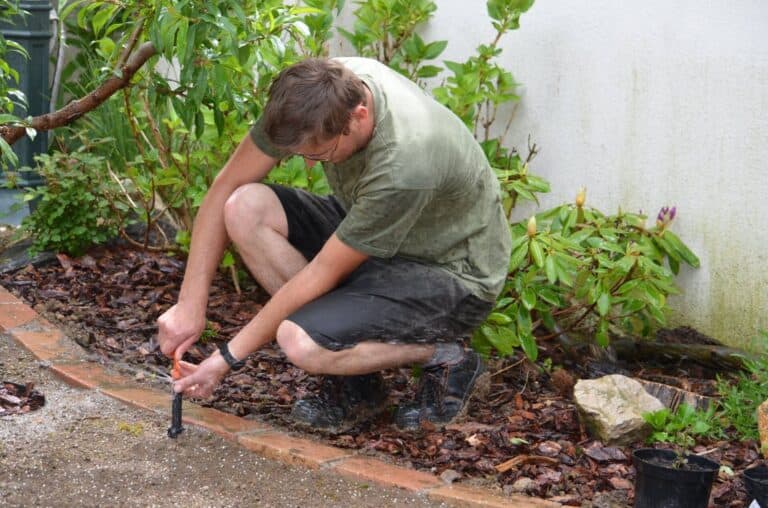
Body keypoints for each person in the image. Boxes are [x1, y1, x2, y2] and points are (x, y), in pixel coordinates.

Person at [157, 57, 512, 432]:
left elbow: (322, 273)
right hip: (372, 235)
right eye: (301, 155)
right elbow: (225, 187)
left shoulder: (404, 166)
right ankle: (357, 382)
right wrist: (189, 304)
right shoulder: (309, 93)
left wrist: (225, 359)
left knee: (300, 342)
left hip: (449, 275)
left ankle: (447, 354)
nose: (310, 166)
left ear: (359, 116)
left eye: (320, 154)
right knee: (244, 207)